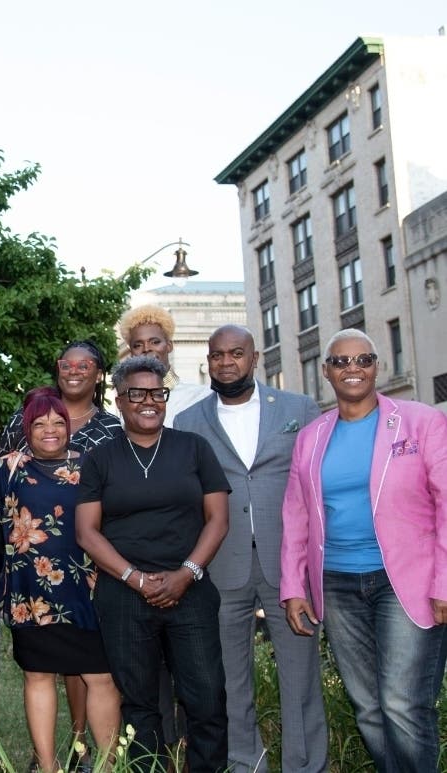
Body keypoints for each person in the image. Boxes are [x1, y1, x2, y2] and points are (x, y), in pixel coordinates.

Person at [280, 328, 447, 773]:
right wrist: (294, 586)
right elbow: (296, 515)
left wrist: (444, 583)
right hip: (336, 584)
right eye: (341, 361)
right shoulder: (311, 437)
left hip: (404, 582)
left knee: (402, 703)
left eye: (363, 360)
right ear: (326, 371)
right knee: (368, 706)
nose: (352, 369)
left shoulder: (421, 422)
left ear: (377, 366)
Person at [175, 326, 326, 773]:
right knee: (229, 679)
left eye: (236, 354)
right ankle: (246, 764)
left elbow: (318, 484)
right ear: (209, 361)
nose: (227, 363)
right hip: (221, 566)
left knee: (300, 677)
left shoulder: (299, 408)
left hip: (290, 567)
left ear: (254, 358)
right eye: (218, 355)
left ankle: (304, 766)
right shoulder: (189, 422)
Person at [76, 355, 230, 772]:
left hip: (191, 592)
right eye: (137, 394)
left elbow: (218, 519)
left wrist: (186, 574)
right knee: (140, 705)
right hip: (124, 596)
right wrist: (135, 579)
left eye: (157, 393)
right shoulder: (100, 458)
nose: (149, 402)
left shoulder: (194, 448)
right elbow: (87, 532)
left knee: (207, 699)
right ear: (119, 400)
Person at [0, 340, 120, 771]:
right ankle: (47, 765)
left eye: (58, 423)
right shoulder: (8, 468)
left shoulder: (93, 465)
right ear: (26, 428)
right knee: (38, 676)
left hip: (90, 589)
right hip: (32, 594)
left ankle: (106, 765)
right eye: (40, 423)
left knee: (100, 677)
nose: (51, 430)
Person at [119, 304, 211, 426]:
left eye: (155, 342)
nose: (146, 349)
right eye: (138, 345)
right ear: (131, 352)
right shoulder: (128, 401)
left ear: (169, 346)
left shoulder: (198, 396)